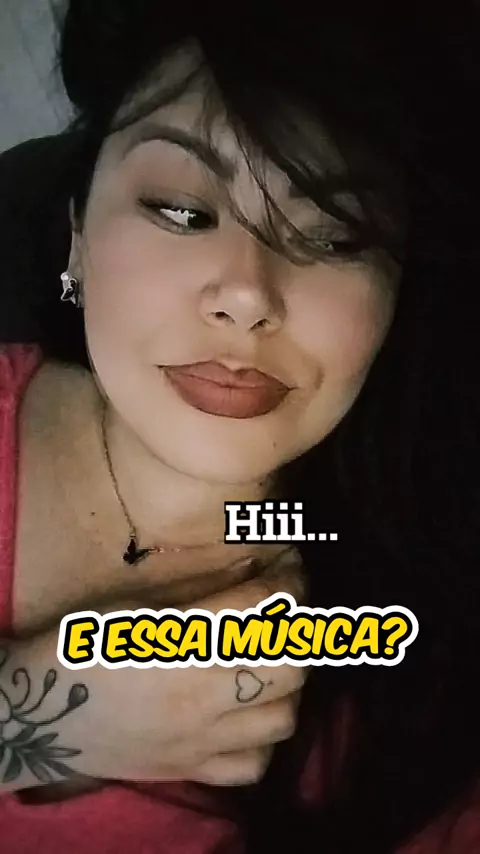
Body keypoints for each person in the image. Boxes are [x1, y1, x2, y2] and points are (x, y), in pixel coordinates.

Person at [0, 1, 479, 852]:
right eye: (182, 211)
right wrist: (35, 713)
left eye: (334, 235)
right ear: (76, 234)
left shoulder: (429, 663)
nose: (248, 295)